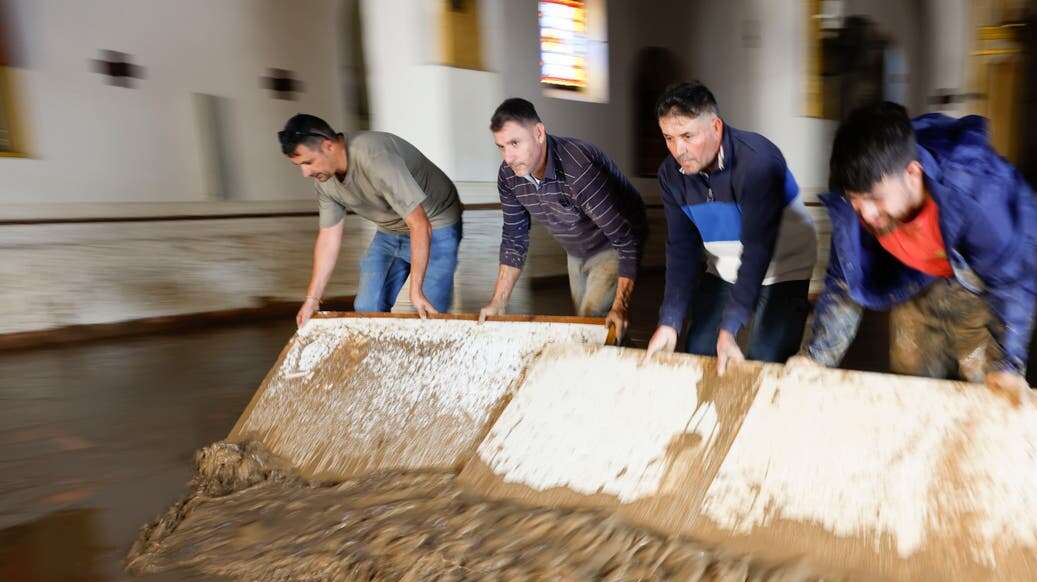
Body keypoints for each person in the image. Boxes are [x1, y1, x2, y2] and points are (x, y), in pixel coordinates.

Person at [796, 102, 1037, 401]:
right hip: (914, 281)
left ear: (912, 173)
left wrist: (1009, 363)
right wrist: (814, 358)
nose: (866, 213)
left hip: (976, 284)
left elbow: (1011, 281)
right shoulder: (854, 209)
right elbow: (844, 285)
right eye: (856, 200)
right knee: (912, 393)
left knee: (988, 392)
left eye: (875, 198)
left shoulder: (977, 196)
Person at [644, 81, 818, 374]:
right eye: (669, 138)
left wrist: (730, 326)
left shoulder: (758, 162)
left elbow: (758, 250)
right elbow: (681, 250)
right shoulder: (671, 176)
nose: (678, 150)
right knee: (698, 347)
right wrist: (669, 321)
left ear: (715, 126)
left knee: (765, 359)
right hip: (724, 266)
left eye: (687, 135)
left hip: (784, 266)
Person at [480, 98, 646, 340]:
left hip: (614, 239)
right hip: (577, 247)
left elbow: (624, 239)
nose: (508, 157)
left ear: (538, 133)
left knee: (592, 320)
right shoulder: (508, 176)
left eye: (515, 143)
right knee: (591, 325)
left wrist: (620, 307)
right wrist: (498, 301)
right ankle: (624, 359)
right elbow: (514, 238)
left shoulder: (578, 167)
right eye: (502, 146)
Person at [278, 113, 464, 327]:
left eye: (308, 162)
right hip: (391, 229)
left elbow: (420, 224)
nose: (305, 172)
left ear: (328, 145)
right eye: (299, 165)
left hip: (436, 220)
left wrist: (416, 290)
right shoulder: (324, 179)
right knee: (368, 307)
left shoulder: (375, 157)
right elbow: (329, 236)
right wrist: (311, 300)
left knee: (429, 310)